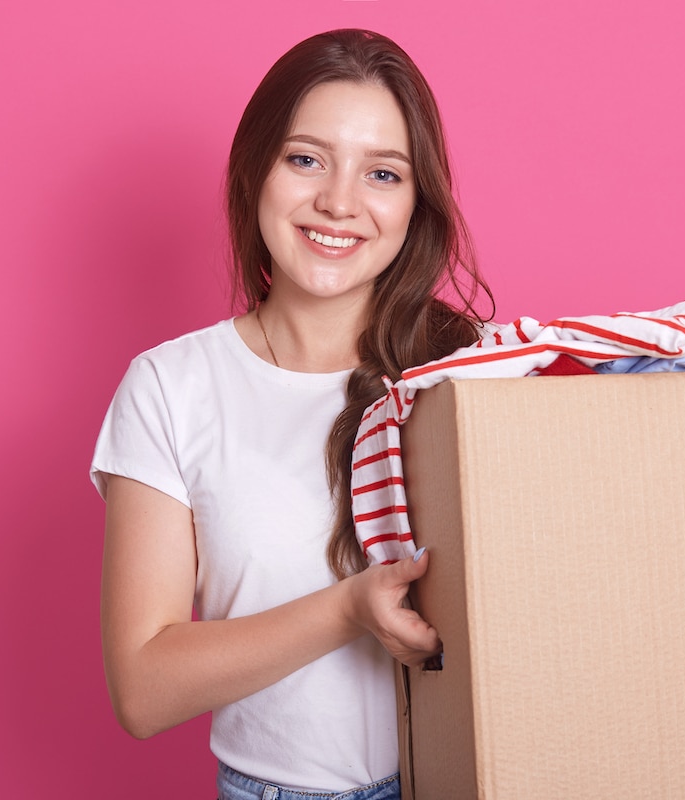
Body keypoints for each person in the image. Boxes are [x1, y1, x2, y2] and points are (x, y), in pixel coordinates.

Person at [90, 29, 493, 799]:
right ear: (256, 171)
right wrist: (347, 609)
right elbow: (142, 691)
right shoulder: (172, 388)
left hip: (477, 775)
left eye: (382, 173)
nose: (340, 202)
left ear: (417, 203)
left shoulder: (468, 367)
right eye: (306, 159)